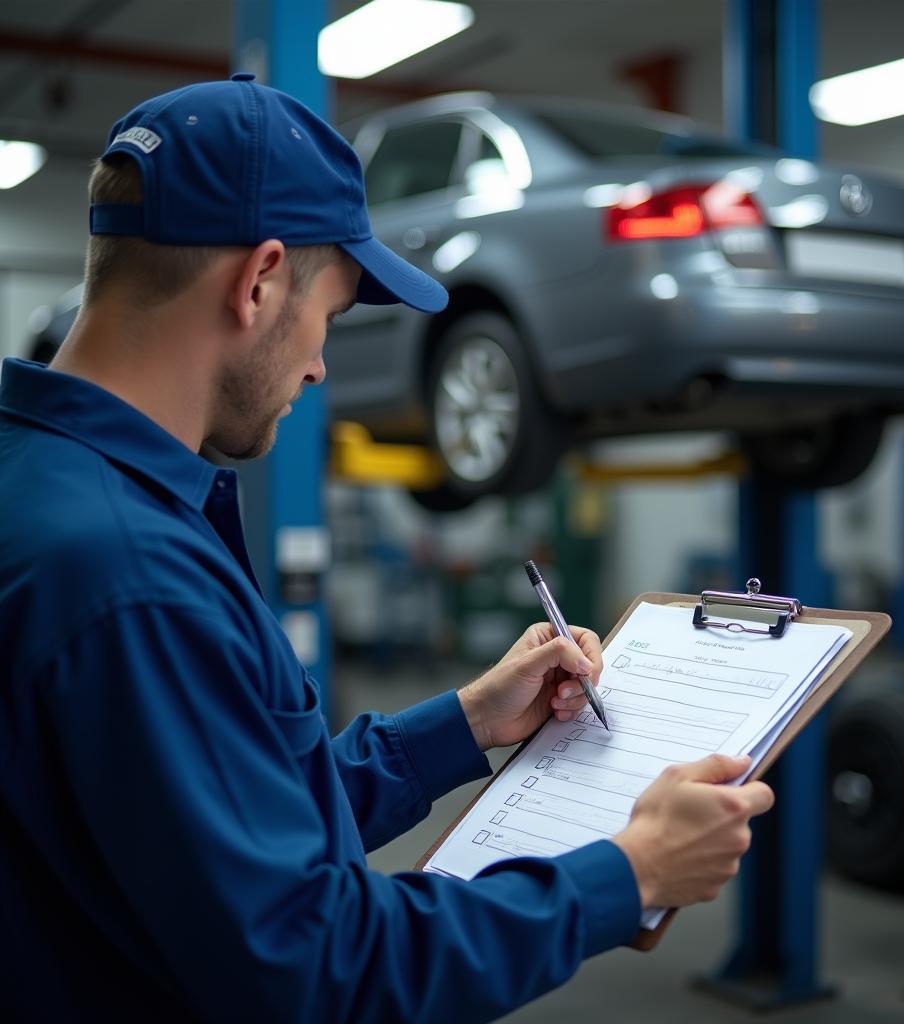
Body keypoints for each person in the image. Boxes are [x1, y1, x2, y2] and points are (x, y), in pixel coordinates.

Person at [0, 74, 774, 1023]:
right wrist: (628, 873)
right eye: (327, 315)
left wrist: (466, 723)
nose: (321, 364)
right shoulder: (131, 573)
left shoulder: (44, 481)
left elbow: (220, 821)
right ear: (257, 281)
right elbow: (319, 966)